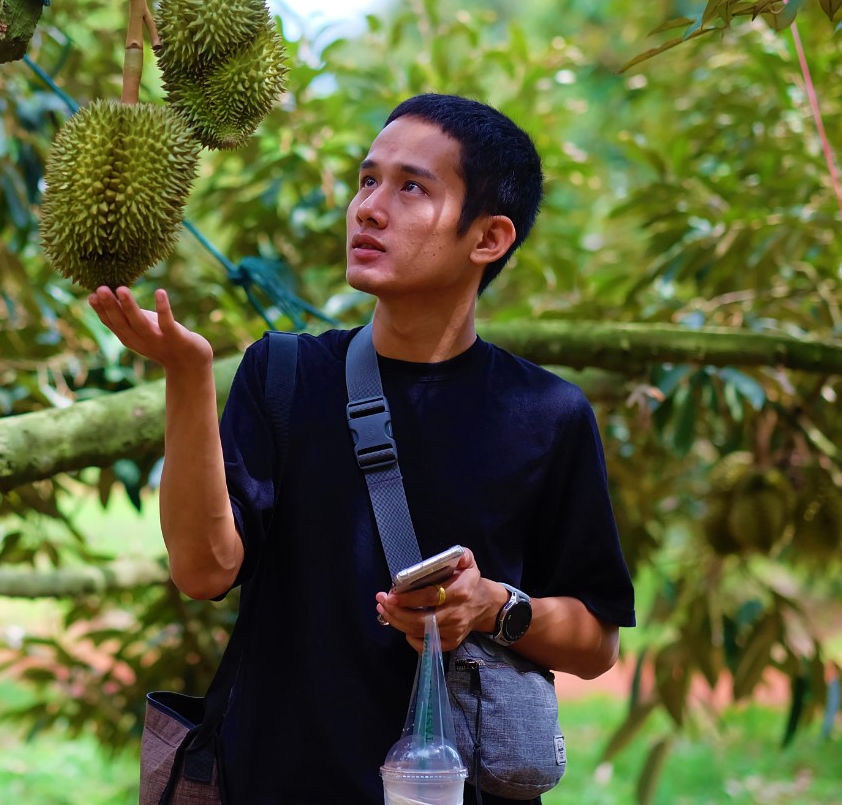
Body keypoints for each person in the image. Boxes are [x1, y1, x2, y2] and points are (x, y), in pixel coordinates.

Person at [89, 94, 636, 803]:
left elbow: (597, 644)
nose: (369, 208)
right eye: (367, 180)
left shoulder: (547, 415)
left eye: (412, 187)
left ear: (489, 238)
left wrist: (490, 604)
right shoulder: (285, 375)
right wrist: (188, 379)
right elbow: (203, 569)